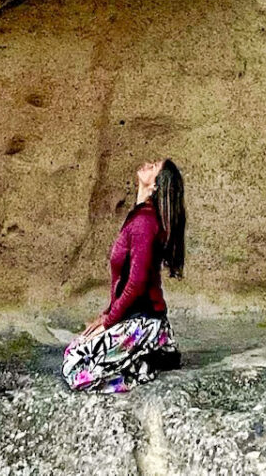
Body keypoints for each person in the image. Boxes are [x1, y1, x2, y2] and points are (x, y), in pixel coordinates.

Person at [61, 158, 185, 393]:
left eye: (153, 167)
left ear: (156, 186)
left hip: (144, 322)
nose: (147, 164)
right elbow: (124, 280)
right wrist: (106, 316)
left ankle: (146, 366)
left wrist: (108, 322)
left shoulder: (145, 223)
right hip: (134, 317)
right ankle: (145, 356)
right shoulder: (140, 216)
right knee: (73, 350)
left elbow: (136, 284)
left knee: (76, 370)